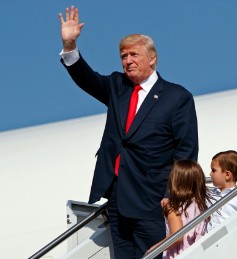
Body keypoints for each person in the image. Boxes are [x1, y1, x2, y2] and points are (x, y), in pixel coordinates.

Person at [58, 6, 199, 259]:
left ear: (152, 59)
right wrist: (70, 47)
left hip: (154, 201)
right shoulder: (117, 86)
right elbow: (86, 79)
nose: (128, 61)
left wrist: (171, 198)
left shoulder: (177, 97)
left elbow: (186, 153)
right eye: (123, 56)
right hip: (117, 199)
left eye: (134, 54)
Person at [145, 160, 211, 258]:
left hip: (179, 255)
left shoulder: (173, 207)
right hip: (197, 252)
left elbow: (177, 237)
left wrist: (153, 249)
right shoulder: (201, 203)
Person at [207, 150, 237, 232]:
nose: (210, 174)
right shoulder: (211, 194)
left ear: (227, 175)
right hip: (206, 240)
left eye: (213, 170)